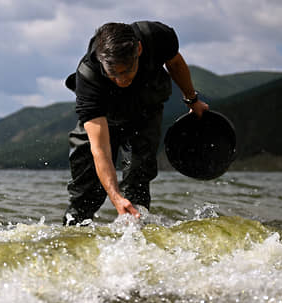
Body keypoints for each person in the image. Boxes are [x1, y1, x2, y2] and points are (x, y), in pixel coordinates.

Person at [63, 20, 209, 225]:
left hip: (145, 114)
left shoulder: (156, 36)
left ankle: (137, 244)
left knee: (137, 184)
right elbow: (100, 149)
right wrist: (115, 197)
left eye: (127, 71)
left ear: (138, 50)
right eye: (114, 74)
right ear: (101, 60)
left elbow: (175, 63)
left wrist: (192, 100)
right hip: (104, 117)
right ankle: (73, 237)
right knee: (86, 193)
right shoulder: (88, 77)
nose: (122, 79)